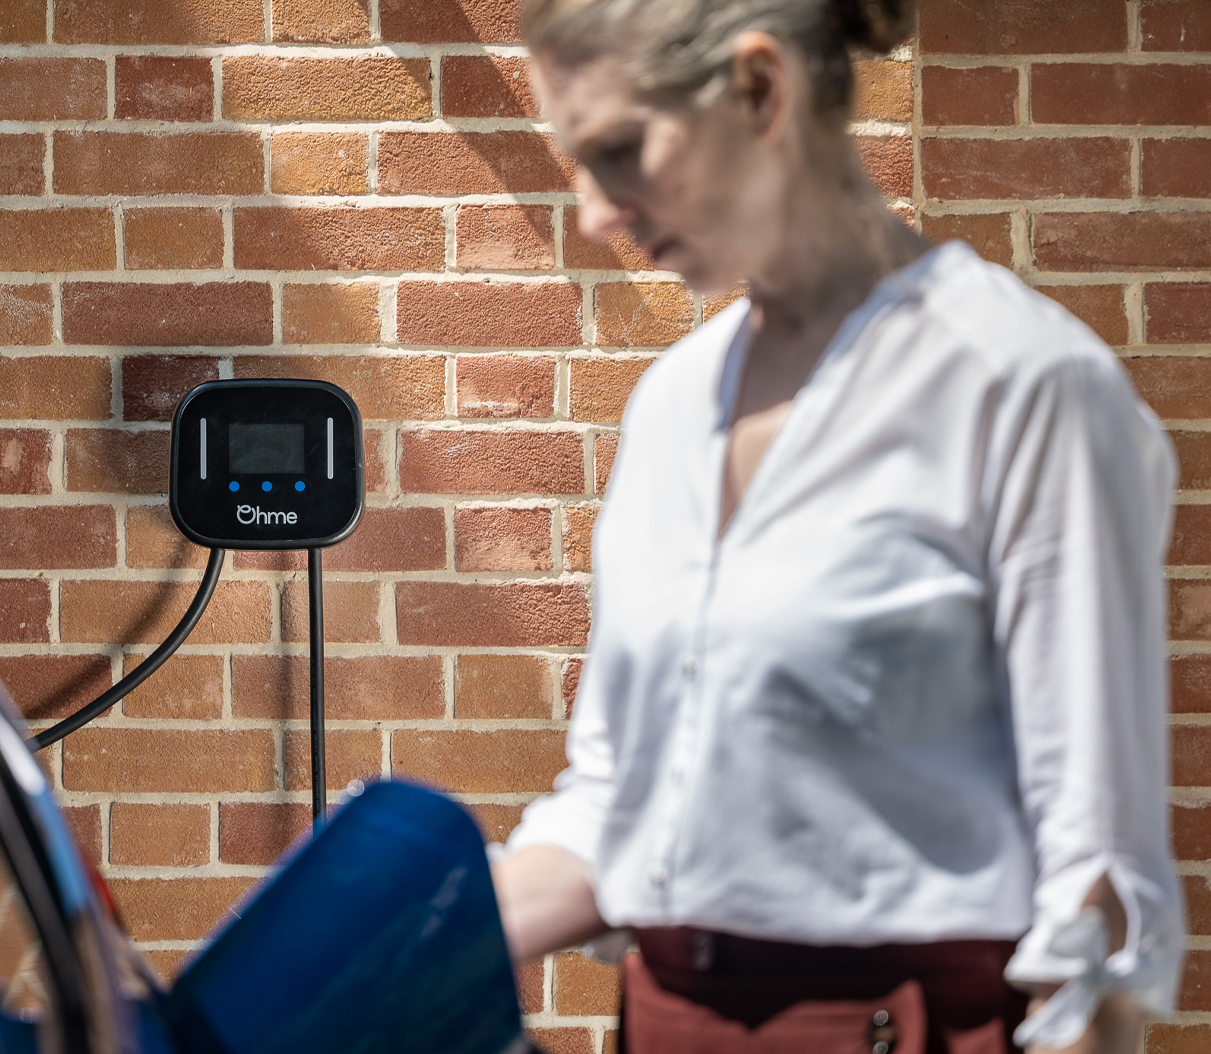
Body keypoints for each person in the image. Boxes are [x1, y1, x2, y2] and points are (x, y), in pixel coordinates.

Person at [492, 1, 1185, 1052]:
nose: (591, 211)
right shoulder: (672, 401)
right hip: (667, 1019)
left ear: (760, 89)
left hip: (897, 1024)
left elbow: (1092, 871)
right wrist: (332, 960)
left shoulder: (1018, 385)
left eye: (619, 150)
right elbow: (618, 808)